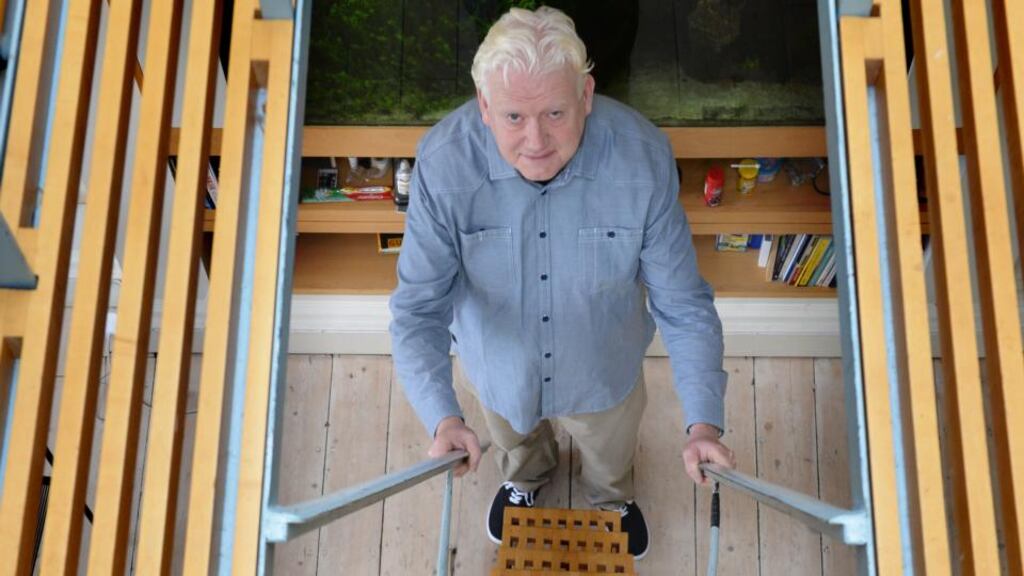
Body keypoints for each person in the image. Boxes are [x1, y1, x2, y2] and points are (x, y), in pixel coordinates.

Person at [389, 6, 735, 560]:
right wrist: (444, 415)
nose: (536, 142)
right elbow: (417, 309)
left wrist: (703, 424)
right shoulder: (442, 164)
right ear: (483, 105)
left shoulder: (644, 159)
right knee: (516, 445)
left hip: (604, 368)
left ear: (587, 94)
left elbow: (684, 305)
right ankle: (525, 481)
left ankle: (611, 498)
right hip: (498, 370)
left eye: (554, 111)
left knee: (610, 455)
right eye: (512, 118)